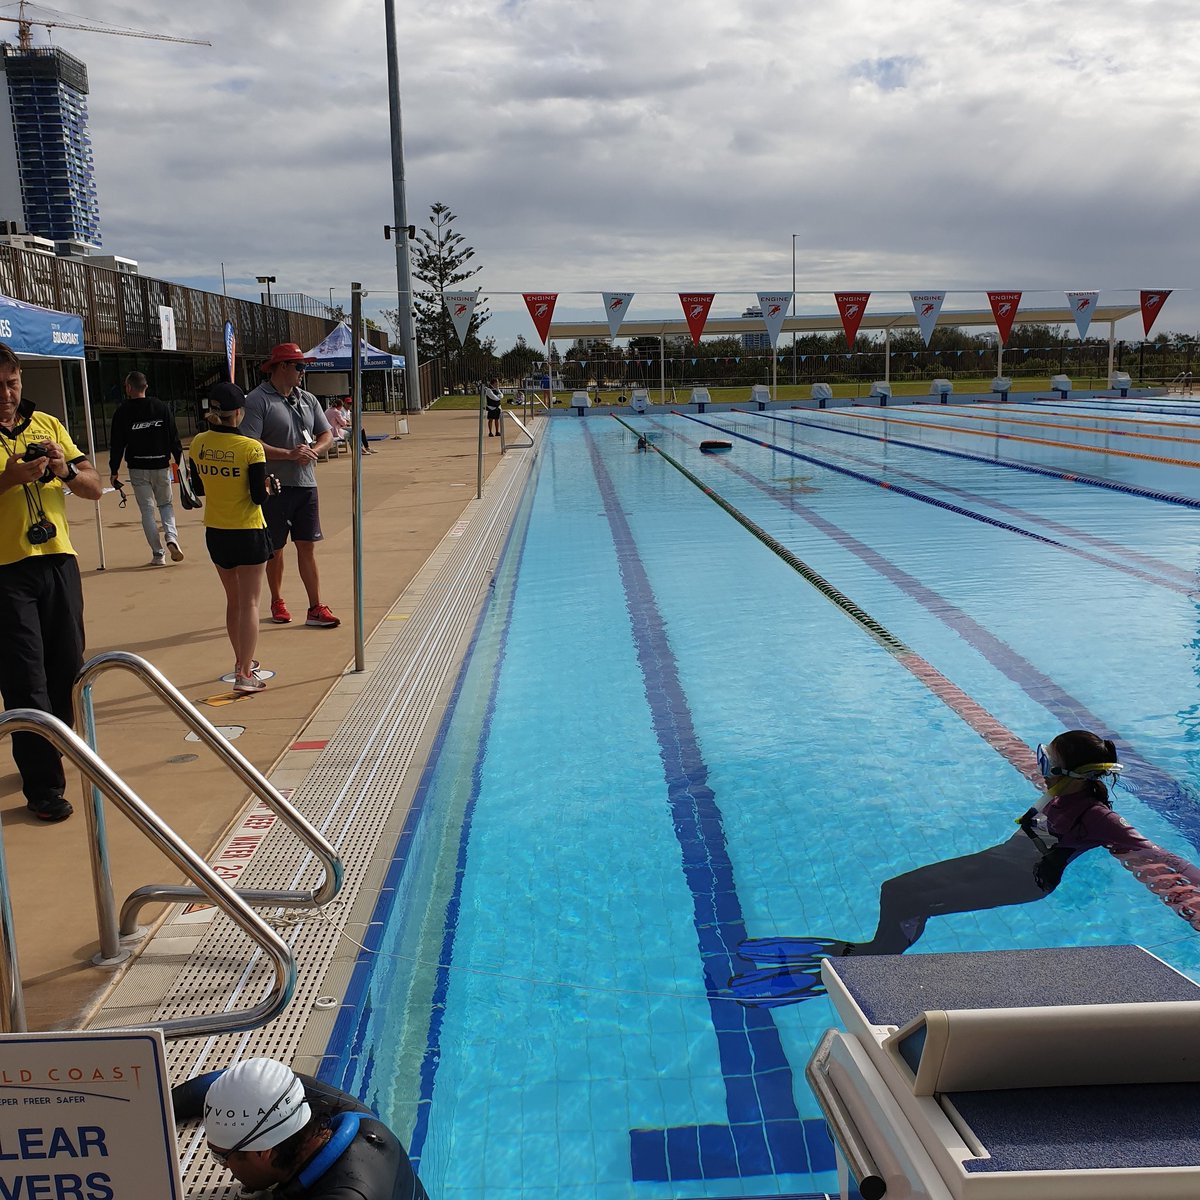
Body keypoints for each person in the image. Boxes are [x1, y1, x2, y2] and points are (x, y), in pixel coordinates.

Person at [731, 730, 1200, 1007]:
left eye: (1046, 763)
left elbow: (1161, 855)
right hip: (1002, 860)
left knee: (908, 898)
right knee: (894, 889)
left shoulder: (1095, 815)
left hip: (1024, 879)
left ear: (1065, 773)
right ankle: (879, 951)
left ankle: (877, 964)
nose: (1040, 768)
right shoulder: (1061, 794)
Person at [0, 343, 103, 821]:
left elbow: (94, 486)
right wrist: (9, 479)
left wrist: (63, 470)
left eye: (12, 383)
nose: (6, 394)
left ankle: (55, 748)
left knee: (67, 668)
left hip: (58, 561)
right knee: (25, 678)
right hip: (6, 571)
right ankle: (43, 786)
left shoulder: (49, 425)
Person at [172, 1056, 429, 1200]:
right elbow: (222, 1082)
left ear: (264, 1152)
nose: (225, 1169)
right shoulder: (332, 1112)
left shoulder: (347, 1195)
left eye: (221, 1158)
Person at [239, 343, 340, 628]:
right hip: (275, 485)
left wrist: (315, 451)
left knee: (307, 545)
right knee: (276, 548)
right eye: (299, 366)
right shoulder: (258, 400)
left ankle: (315, 606)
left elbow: (326, 434)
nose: (302, 371)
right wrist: (288, 454)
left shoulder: (307, 399)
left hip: (306, 484)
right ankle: (277, 600)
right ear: (281, 367)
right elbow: (250, 442)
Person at [188, 383, 276, 694]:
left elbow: (198, 489)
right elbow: (257, 496)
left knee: (234, 601)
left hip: (216, 531)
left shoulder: (198, 443)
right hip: (248, 530)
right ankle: (244, 673)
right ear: (239, 413)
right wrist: (269, 487)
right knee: (251, 603)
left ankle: (242, 661)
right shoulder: (251, 448)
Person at [107, 370, 184, 565]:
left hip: (138, 467)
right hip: (160, 464)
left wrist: (114, 470)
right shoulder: (161, 407)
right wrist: (180, 463)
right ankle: (171, 537)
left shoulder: (122, 411)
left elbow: (116, 444)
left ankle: (158, 554)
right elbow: (174, 437)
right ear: (146, 387)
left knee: (147, 510)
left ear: (129, 388)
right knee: (165, 505)